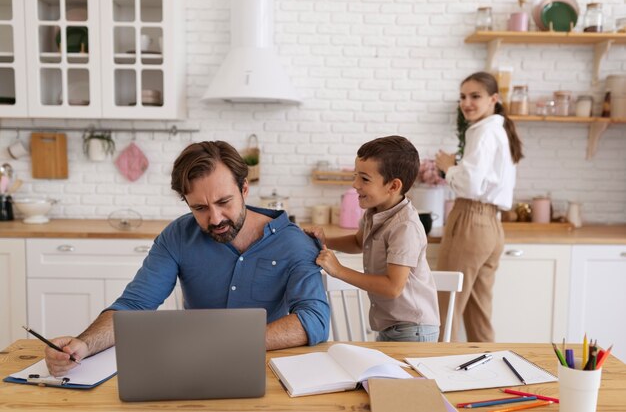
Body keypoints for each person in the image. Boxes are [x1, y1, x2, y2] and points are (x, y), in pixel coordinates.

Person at [45, 141, 330, 376]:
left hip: (270, 369)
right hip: (195, 371)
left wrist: (226, 343)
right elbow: (134, 305)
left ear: (244, 189)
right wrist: (82, 344)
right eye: (200, 207)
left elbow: (314, 320)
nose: (215, 218)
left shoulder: (294, 242)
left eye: (223, 202)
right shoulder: (178, 236)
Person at [307, 136, 440, 342]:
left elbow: (392, 287)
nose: (355, 184)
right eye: (355, 176)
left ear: (393, 186)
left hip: (413, 329)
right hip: (393, 326)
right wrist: (326, 240)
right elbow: (359, 242)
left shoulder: (405, 227)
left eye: (364, 179)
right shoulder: (374, 211)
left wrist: (339, 270)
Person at [435, 71, 523, 342]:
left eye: (475, 96)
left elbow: (471, 186)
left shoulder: (482, 131)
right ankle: (491, 377)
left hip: (471, 221)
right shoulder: (499, 130)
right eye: (463, 97)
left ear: (493, 99)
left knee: (446, 309)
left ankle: (432, 377)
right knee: (478, 315)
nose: (467, 103)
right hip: (492, 227)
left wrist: (448, 168)